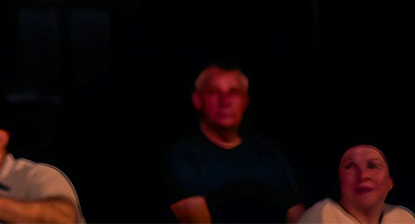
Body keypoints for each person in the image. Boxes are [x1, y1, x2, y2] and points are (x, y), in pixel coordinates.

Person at [164, 63, 305, 223]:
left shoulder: (269, 154)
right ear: (197, 100)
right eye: (214, 92)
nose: (225, 101)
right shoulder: (184, 156)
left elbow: (298, 216)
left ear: (246, 100)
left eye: (234, 92)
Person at [299, 143, 412, 224]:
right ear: (339, 180)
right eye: (350, 166)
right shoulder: (319, 218)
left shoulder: (405, 218)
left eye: (373, 165)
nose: (363, 175)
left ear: (390, 182)